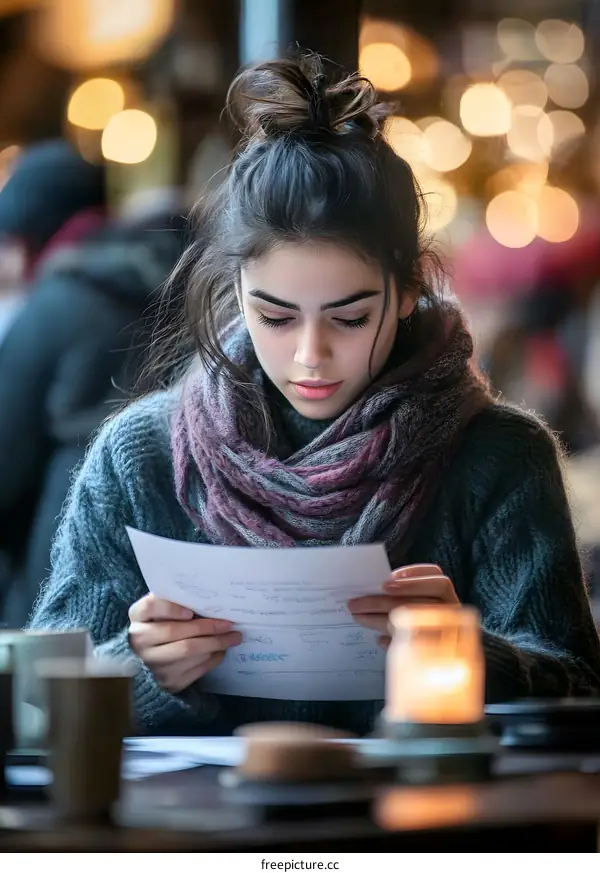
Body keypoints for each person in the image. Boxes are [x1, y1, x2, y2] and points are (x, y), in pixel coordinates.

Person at [29, 55, 600, 737]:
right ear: (234, 289)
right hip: (189, 838)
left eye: (350, 317)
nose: (309, 355)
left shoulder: (500, 456)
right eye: (274, 316)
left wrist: (472, 656)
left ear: (412, 286)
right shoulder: (138, 457)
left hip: (428, 834)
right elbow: (41, 699)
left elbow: (580, 697)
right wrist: (142, 666)